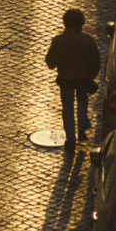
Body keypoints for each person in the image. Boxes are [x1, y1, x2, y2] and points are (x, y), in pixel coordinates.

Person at [45, 9, 100, 151]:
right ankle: (82, 129)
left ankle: (70, 137)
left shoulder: (58, 41)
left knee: (67, 108)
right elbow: (96, 61)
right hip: (83, 80)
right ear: (81, 24)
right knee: (82, 103)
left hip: (66, 80)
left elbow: (50, 62)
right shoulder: (88, 41)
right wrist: (92, 74)